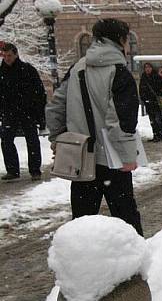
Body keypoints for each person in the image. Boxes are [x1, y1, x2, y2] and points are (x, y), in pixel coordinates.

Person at [45, 18, 143, 235]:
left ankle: (80, 265)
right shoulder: (119, 72)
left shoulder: (77, 68)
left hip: (81, 156)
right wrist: (127, 157)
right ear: (120, 40)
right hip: (112, 159)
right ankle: (133, 264)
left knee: (82, 220)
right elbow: (118, 119)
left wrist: (58, 140)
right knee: (125, 218)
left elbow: (55, 108)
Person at [0, 42, 46, 181]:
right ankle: (12, 170)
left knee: (32, 140)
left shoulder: (27, 70)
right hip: (9, 112)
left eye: (9, 55)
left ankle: (35, 170)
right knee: (6, 140)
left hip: (27, 111)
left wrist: (37, 111)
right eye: (5, 55)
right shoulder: (1, 72)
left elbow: (39, 92)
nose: (7, 58)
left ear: (16, 55)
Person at [139, 62, 162, 142]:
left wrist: (157, 94)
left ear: (152, 68)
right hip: (148, 102)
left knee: (158, 119)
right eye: (146, 67)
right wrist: (144, 99)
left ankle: (161, 135)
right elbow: (141, 89)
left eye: (149, 67)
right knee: (152, 120)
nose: (147, 69)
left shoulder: (157, 77)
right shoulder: (143, 78)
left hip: (156, 102)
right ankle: (155, 135)